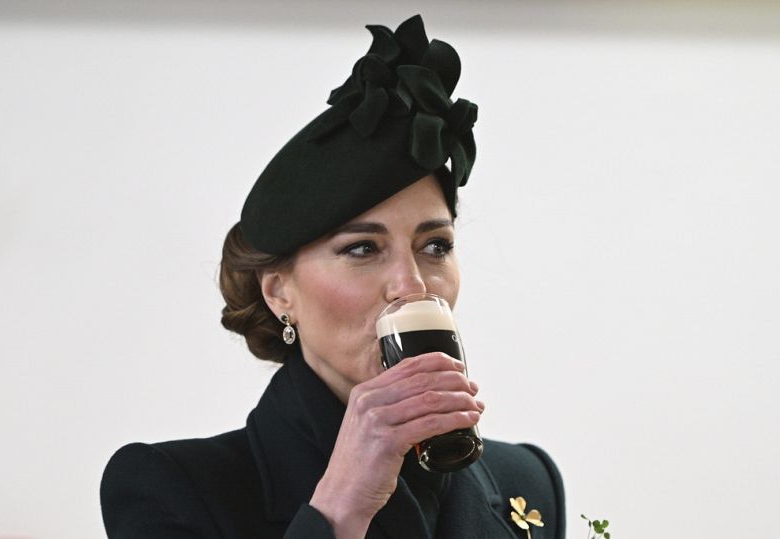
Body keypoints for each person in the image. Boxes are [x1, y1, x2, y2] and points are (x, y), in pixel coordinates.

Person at [100, 14, 565, 539]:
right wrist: (340, 510)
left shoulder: (528, 481)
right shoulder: (177, 489)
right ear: (279, 291)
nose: (411, 286)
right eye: (363, 248)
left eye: (435, 246)